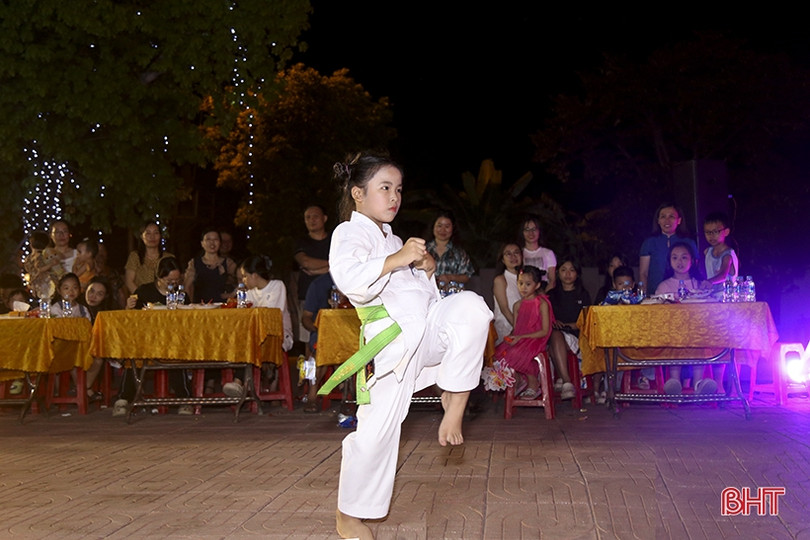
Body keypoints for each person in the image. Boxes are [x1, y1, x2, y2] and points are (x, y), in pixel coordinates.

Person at [324, 151, 492, 540]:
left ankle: (454, 399)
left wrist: (426, 272)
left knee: (472, 307)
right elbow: (351, 280)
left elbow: (421, 297)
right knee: (376, 433)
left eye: (398, 189)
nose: (394, 197)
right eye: (385, 188)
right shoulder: (348, 233)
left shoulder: (394, 238)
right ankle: (348, 515)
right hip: (392, 346)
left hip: (425, 332)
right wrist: (398, 259)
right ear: (358, 194)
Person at [122, 256, 193, 415]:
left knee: (176, 354)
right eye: (169, 281)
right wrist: (129, 307)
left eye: (177, 280)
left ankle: (185, 400)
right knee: (133, 354)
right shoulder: (144, 291)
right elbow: (130, 319)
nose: (173, 284)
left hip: (173, 341)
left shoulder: (181, 295)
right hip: (147, 341)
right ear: (159, 277)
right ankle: (124, 399)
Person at [221, 255, 294, 398]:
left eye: (245, 277)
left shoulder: (277, 286)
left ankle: (240, 382)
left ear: (254, 275)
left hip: (277, 335)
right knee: (240, 341)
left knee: (249, 342)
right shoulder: (249, 293)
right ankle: (243, 383)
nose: (243, 281)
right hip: (254, 335)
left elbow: (272, 314)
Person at [492, 265, 554, 400]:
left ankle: (533, 383)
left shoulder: (542, 303)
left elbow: (545, 331)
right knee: (498, 353)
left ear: (537, 285)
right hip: (521, 339)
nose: (523, 287)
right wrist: (511, 337)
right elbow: (516, 328)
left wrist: (521, 337)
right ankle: (519, 379)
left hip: (537, 339)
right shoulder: (517, 305)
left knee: (518, 352)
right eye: (520, 283)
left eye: (528, 284)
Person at [546, 258, 590, 401]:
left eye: (572, 270)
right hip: (555, 336)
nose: (568, 274)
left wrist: (570, 325)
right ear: (558, 273)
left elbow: (587, 321)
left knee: (555, 338)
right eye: (564, 270)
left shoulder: (583, 295)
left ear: (577, 273)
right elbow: (545, 318)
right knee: (555, 335)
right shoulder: (551, 295)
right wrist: (554, 322)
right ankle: (566, 382)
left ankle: (563, 379)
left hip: (576, 337)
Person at [638, 203, 697, 295]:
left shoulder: (689, 242)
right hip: (655, 295)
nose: (667, 220)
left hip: (685, 293)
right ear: (658, 221)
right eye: (663, 217)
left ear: (679, 220)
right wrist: (643, 295)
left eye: (671, 217)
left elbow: (695, 269)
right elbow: (643, 273)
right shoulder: (650, 242)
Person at [294, 204, 331, 347]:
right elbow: (305, 262)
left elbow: (343, 264)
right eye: (307, 217)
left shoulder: (334, 240)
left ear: (324, 218)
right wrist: (331, 266)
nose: (311, 220)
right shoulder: (301, 242)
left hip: (332, 297)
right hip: (306, 297)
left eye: (315, 216)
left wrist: (318, 270)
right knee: (309, 340)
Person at [184, 227, 237, 303]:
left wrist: (231, 294)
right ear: (202, 243)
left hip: (222, 306)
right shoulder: (194, 263)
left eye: (215, 239)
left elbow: (241, 281)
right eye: (208, 239)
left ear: (220, 243)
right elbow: (188, 286)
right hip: (200, 306)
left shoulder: (228, 263)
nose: (212, 243)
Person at [425, 209, 474, 291]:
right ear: (433, 227)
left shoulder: (459, 252)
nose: (443, 230)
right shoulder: (423, 250)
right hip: (428, 293)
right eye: (439, 226)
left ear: (453, 228)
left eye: (447, 226)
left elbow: (467, 276)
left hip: (452, 294)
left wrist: (450, 277)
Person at [125, 221, 173, 294]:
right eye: (148, 233)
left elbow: (173, 281)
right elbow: (129, 281)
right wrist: (142, 297)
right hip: (140, 297)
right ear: (142, 236)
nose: (152, 237)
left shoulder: (168, 257)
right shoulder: (135, 256)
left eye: (156, 233)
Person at [492, 242, 522, 344]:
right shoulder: (501, 280)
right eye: (508, 254)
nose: (513, 256)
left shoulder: (526, 279)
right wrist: (519, 328)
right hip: (507, 328)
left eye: (516, 252)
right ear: (502, 260)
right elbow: (504, 309)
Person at [700, 212, 739, 290]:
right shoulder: (707, 252)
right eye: (708, 232)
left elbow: (723, 275)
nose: (711, 235)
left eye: (715, 232)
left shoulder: (728, 255)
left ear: (726, 232)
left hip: (727, 295)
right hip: (711, 294)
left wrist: (709, 281)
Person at [519, 214, 556, 291]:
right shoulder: (519, 253)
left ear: (539, 231)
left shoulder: (548, 253)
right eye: (527, 229)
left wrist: (543, 296)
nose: (531, 233)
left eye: (534, 229)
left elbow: (552, 280)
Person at [23, 230, 64, 297]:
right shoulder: (44, 255)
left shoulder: (29, 258)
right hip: (46, 283)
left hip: (39, 283)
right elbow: (39, 269)